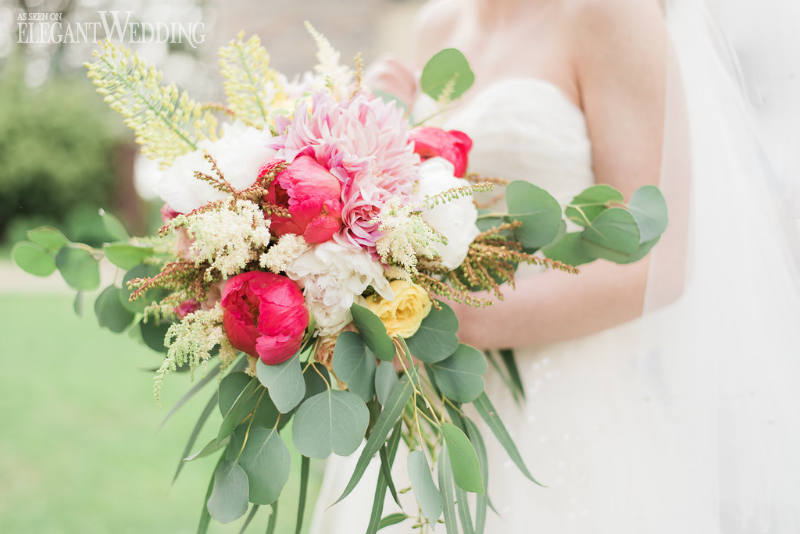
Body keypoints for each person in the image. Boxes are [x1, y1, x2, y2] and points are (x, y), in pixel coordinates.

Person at [311, 1, 800, 532]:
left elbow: (657, 262)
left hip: (564, 413)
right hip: (427, 417)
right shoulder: (437, 25)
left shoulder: (612, 16)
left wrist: (455, 321)